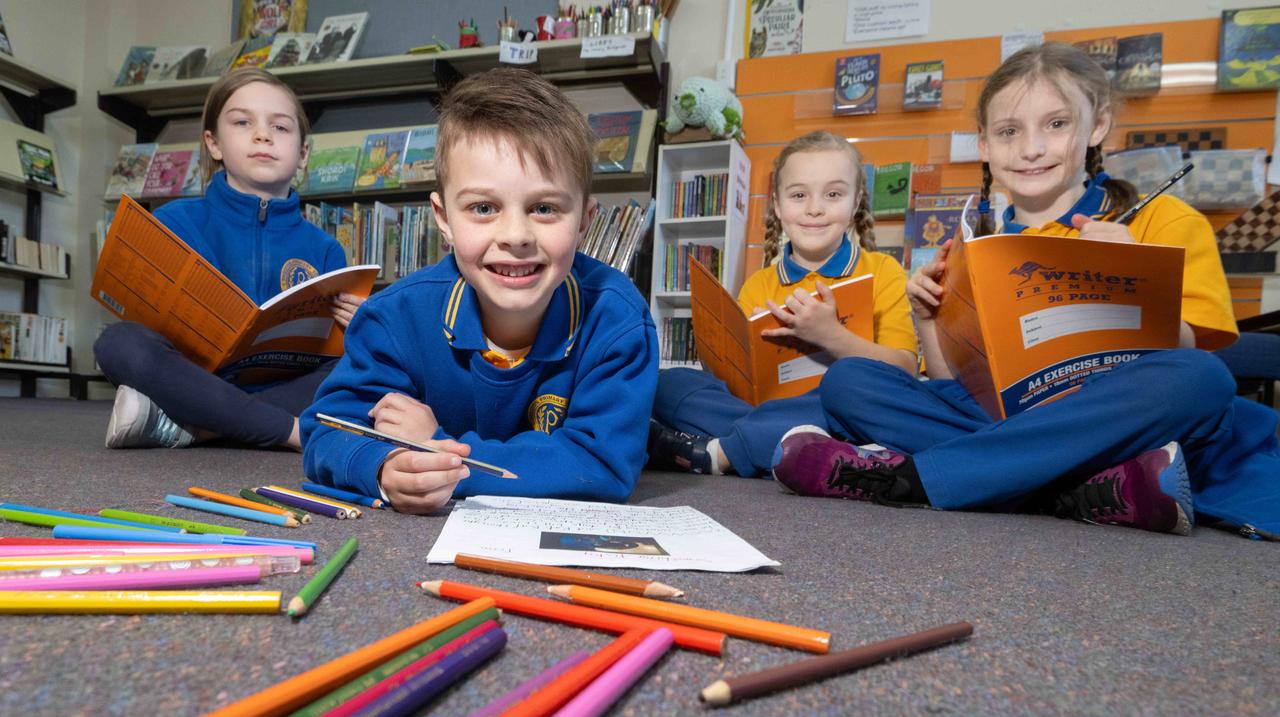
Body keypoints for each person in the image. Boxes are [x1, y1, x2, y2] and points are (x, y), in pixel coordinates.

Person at [772, 42, 1280, 538]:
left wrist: (1133, 277)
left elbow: (1188, 349)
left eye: (1056, 125)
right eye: (1009, 131)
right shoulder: (975, 246)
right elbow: (955, 382)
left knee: (1202, 379)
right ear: (986, 145)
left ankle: (916, 479)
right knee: (850, 382)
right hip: (1011, 418)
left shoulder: (1163, 220)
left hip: (1112, 416)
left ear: (1097, 125)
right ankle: (1079, 491)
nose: (1032, 148)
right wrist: (928, 320)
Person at [300, 68, 659, 514]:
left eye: (544, 208)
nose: (515, 235)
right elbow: (328, 429)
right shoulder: (394, 317)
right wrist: (383, 465)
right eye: (483, 208)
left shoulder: (617, 317)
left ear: (584, 221)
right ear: (444, 217)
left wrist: (437, 448)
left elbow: (601, 466)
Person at [95, 68, 363, 451]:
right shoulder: (174, 221)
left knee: (359, 362)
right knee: (116, 342)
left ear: (303, 154)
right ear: (213, 143)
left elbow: (334, 350)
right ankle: (288, 432)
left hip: (281, 385)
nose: (263, 135)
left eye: (281, 128)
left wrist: (358, 326)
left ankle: (195, 426)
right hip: (192, 377)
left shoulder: (325, 249)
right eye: (242, 122)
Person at [648, 130, 916, 477]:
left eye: (833, 194)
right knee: (664, 383)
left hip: (841, 408)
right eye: (799, 195)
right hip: (762, 407)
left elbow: (905, 372)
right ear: (777, 204)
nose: (815, 208)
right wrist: (746, 352)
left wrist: (831, 336)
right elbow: (731, 383)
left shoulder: (883, 271)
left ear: (856, 202)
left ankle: (724, 452)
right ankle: (805, 447)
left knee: (848, 395)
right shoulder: (759, 284)